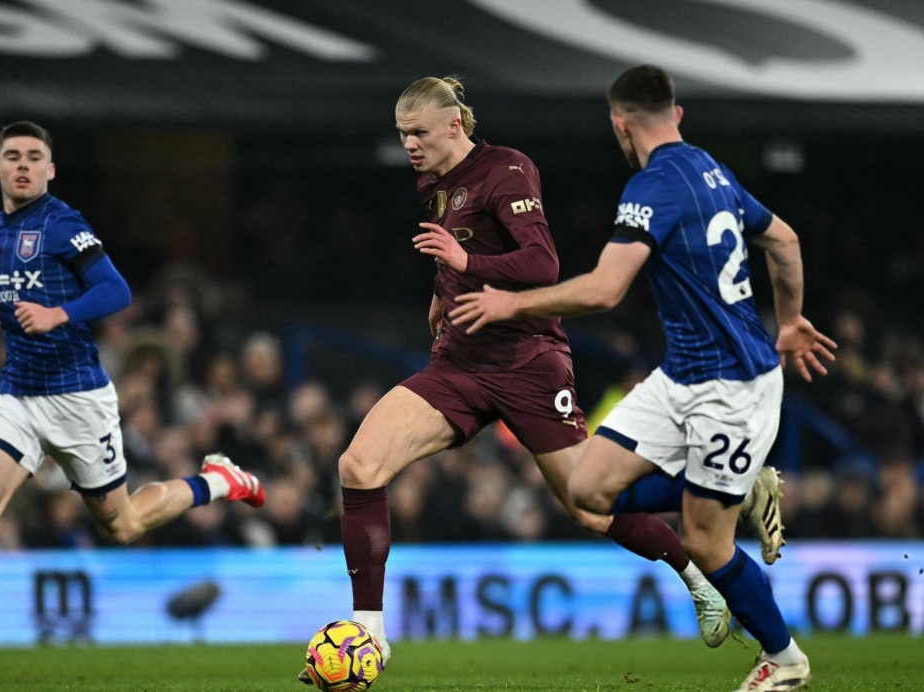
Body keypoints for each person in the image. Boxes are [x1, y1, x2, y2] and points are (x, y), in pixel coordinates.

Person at [312, 76, 733, 681]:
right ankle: (371, 634)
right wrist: (442, 291)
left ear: (454, 125)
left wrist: (465, 264)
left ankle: (696, 573)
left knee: (588, 509)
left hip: (528, 364)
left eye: (419, 132)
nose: (409, 144)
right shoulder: (433, 183)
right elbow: (454, 252)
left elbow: (543, 263)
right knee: (358, 466)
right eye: (403, 134)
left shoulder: (506, 170)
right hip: (458, 363)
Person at [450, 65, 837, 692]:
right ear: (676, 115)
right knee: (585, 491)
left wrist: (510, 303)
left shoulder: (650, 188)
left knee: (706, 544)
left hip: (732, 386)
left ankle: (784, 658)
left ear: (619, 124)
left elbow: (604, 291)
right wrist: (789, 320)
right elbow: (785, 241)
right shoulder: (711, 169)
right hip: (680, 373)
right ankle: (740, 491)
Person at [0, 122, 266, 681]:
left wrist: (59, 313)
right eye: (12, 157)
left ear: (50, 171)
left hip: (79, 399)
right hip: (20, 396)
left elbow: (116, 289)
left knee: (121, 526)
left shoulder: (61, 223)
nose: (23, 165)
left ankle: (218, 482)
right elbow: (0, 292)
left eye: (34, 157)